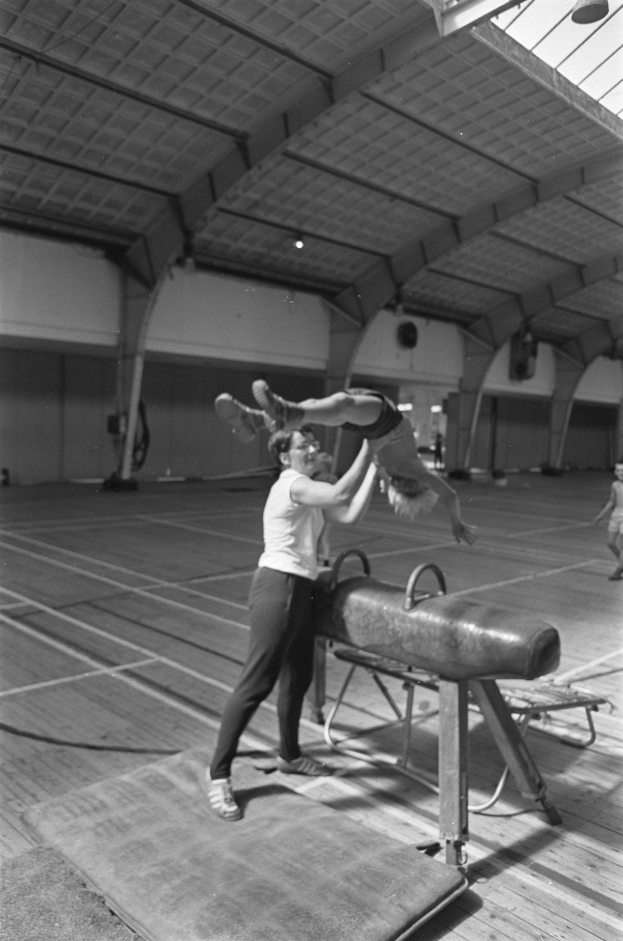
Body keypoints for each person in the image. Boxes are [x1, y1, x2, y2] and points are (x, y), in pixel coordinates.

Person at [206, 426, 389, 821]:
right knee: (256, 683)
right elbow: (340, 493)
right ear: (285, 457)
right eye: (301, 445)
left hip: (304, 589)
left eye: (312, 443)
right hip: (277, 588)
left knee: (299, 676)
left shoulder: (311, 488)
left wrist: (374, 466)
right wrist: (369, 447)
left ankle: (289, 754)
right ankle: (218, 775)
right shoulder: (290, 485)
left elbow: (349, 510)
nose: (311, 449)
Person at [250, 381, 477, 546]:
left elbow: (385, 479)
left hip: (383, 422)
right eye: (413, 489)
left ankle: (268, 417)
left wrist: (386, 482)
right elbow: (450, 496)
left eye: (404, 490)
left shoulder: (393, 472)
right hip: (382, 420)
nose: (408, 484)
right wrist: (456, 523)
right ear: (419, 486)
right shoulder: (416, 473)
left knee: (333, 407)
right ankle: (267, 418)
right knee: (322, 407)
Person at [593, 461, 623, 581]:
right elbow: (612, 501)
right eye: (618, 470)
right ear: (615, 472)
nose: (621, 473)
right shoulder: (615, 485)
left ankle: (618, 570)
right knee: (610, 543)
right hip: (616, 514)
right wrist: (601, 515)